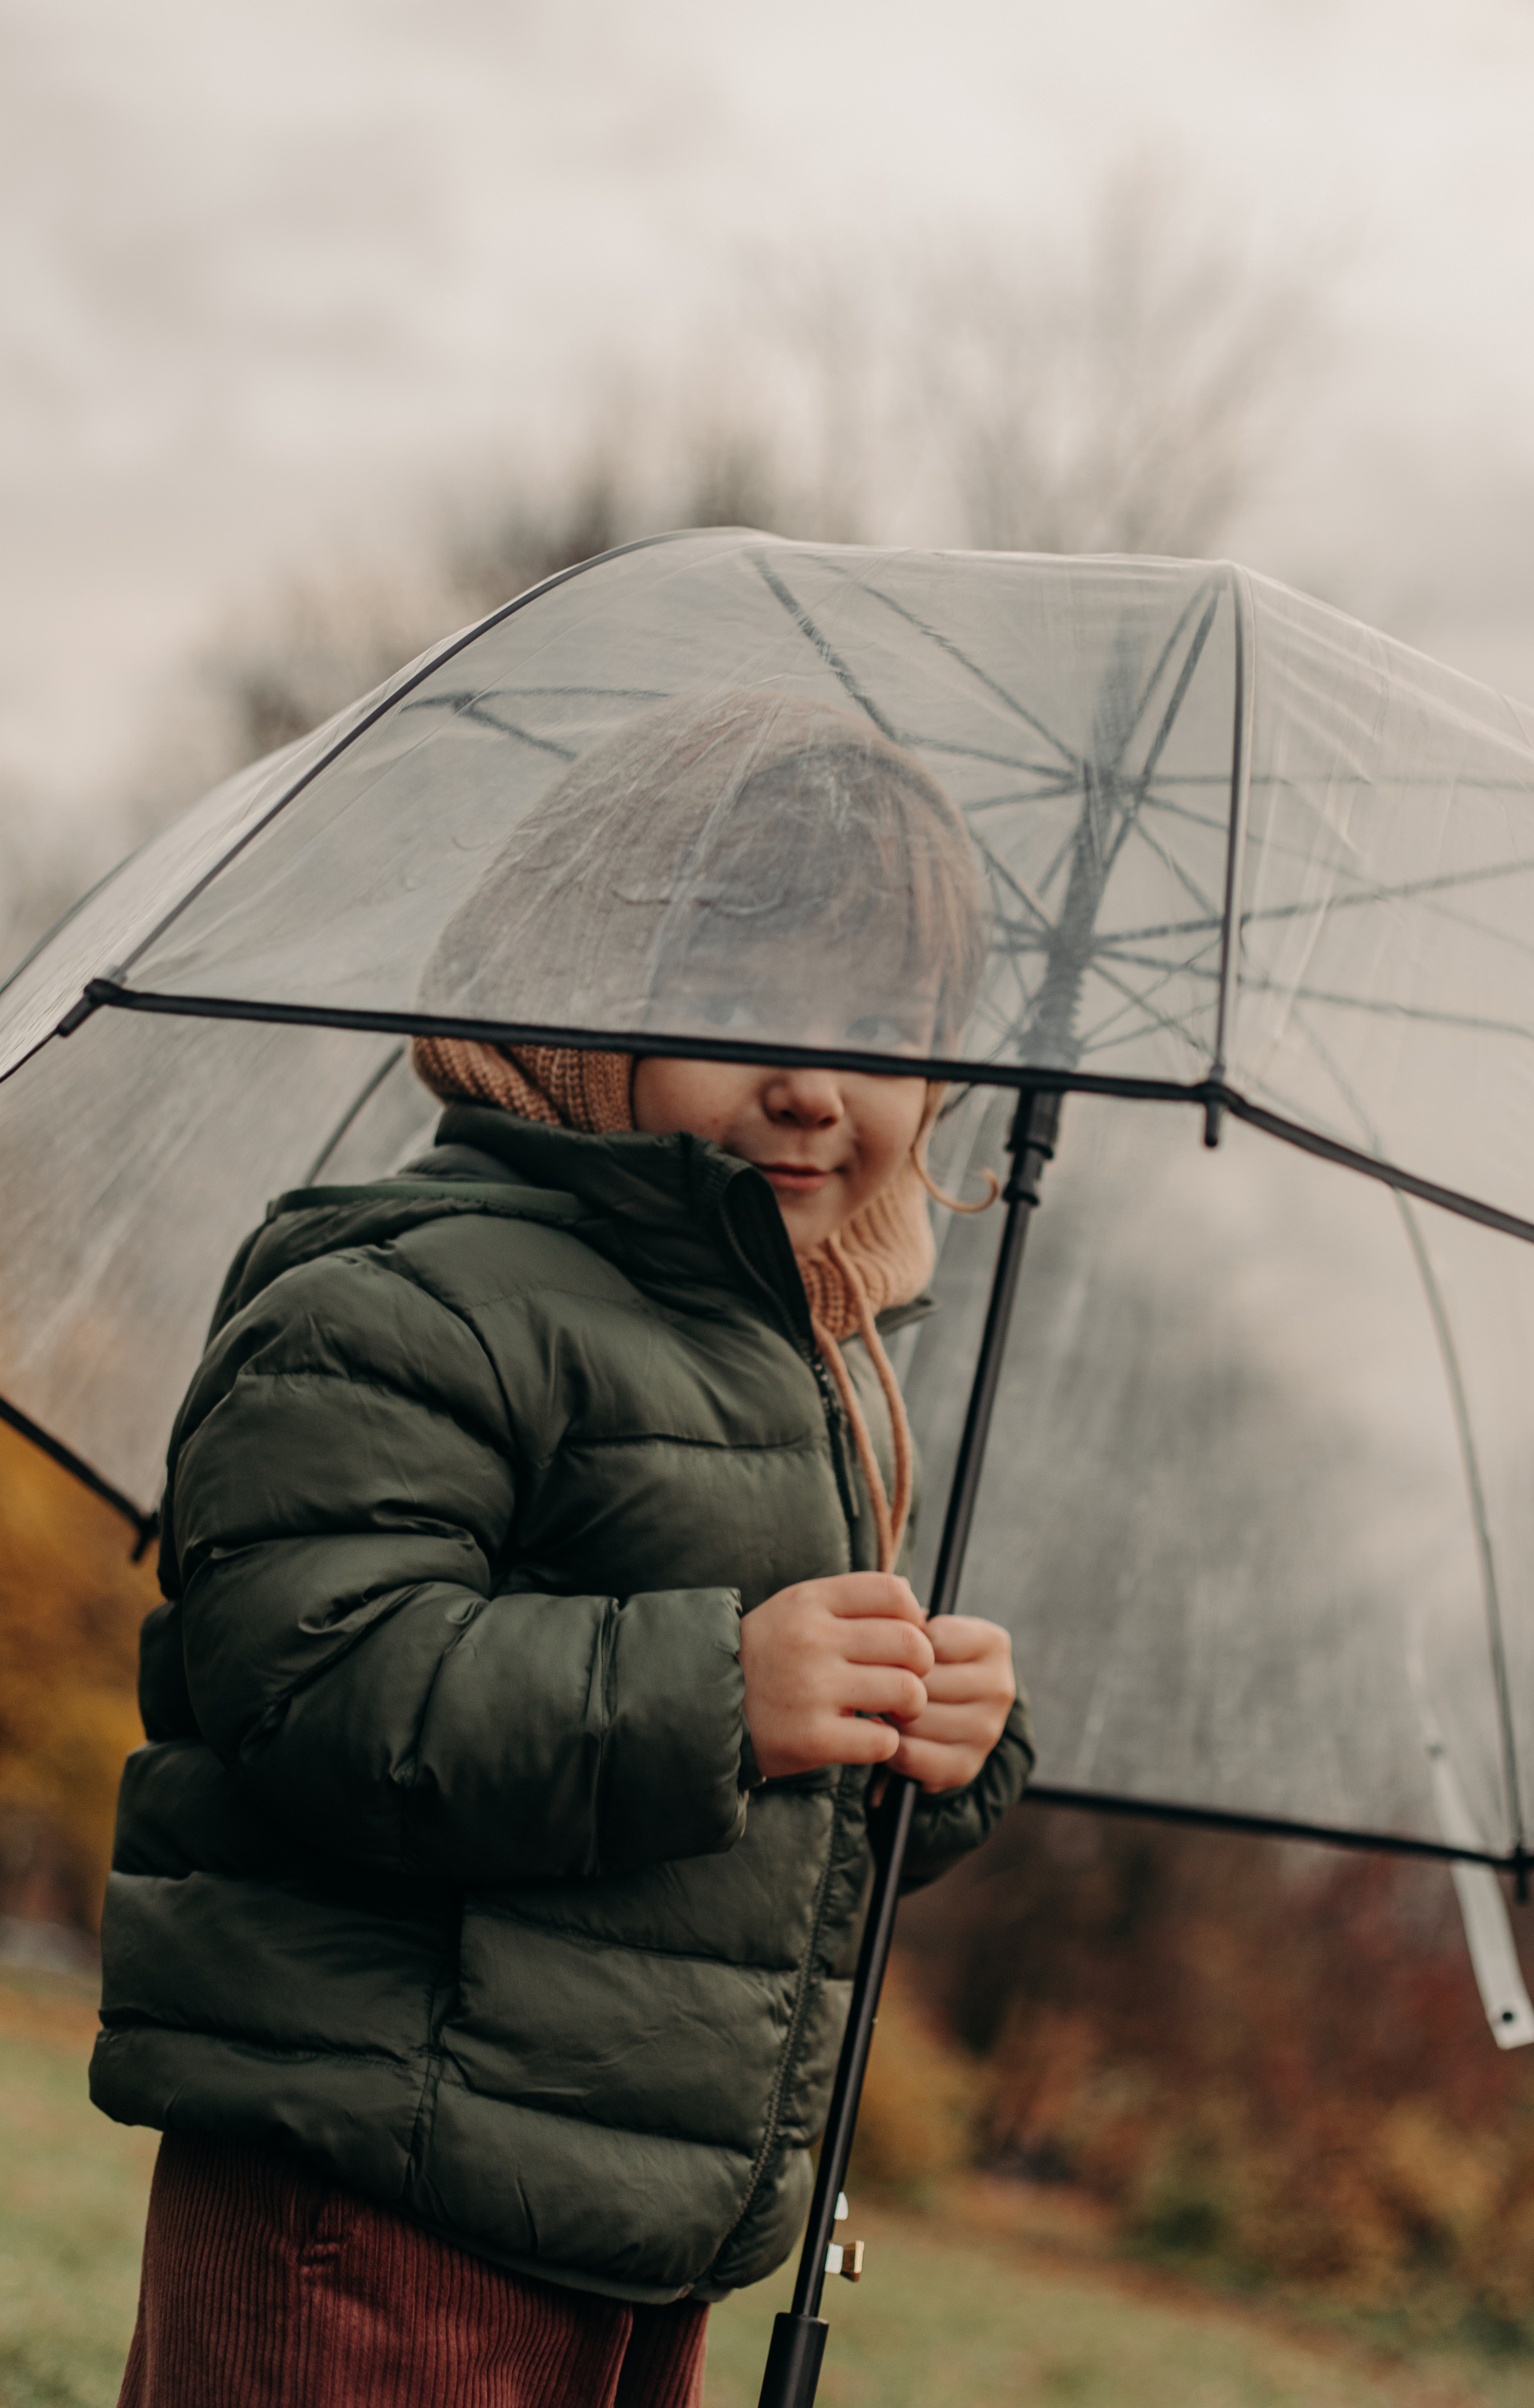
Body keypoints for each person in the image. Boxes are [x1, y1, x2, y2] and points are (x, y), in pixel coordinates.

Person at [93, 690, 1034, 2407]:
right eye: (741, 1006)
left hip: (631, 2215)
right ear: (583, 984)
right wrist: (719, 1690)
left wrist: (931, 1748)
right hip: (375, 2194)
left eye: (884, 1031)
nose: (813, 1087)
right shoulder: (410, 1294)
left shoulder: (805, 1361)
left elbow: (759, 1848)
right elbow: (317, 1681)